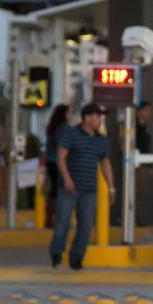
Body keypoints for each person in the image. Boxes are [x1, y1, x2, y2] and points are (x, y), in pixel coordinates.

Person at [49, 103, 116, 271]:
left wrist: (111, 187)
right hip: (69, 188)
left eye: (100, 116)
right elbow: (61, 157)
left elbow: (105, 164)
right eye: (96, 116)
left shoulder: (101, 140)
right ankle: (56, 255)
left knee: (86, 225)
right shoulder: (71, 134)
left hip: (89, 189)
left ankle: (76, 258)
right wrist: (67, 179)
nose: (99, 119)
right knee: (63, 222)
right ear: (86, 118)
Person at [44, 104, 70, 229]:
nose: (70, 115)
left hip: (50, 161)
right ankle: (57, 220)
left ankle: (49, 218)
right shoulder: (64, 128)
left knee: (53, 190)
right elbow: (64, 146)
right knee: (60, 191)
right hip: (60, 162)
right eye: (69, 113)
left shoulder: (52, 127)